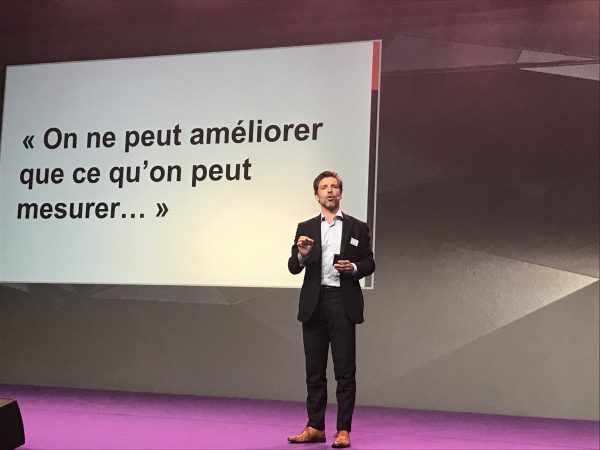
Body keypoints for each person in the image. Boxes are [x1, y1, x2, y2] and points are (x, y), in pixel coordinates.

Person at [287, 170, 375, 448]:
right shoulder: (305, 227)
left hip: (342, 302)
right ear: (316, 195)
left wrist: (354, 268)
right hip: (314, 303)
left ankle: (343, 429)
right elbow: (292, 266)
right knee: (314, 370)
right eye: (324, 187)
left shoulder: (357, 227)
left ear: (340, 193)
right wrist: (302, 254)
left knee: (344, 371)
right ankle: (315, 426)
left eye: (334, 186)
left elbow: (369, 263)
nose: (329, 191)